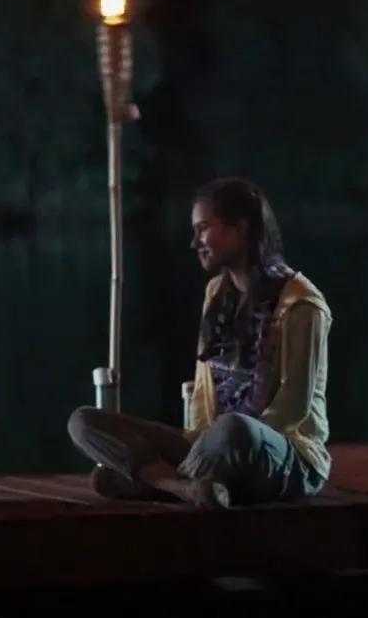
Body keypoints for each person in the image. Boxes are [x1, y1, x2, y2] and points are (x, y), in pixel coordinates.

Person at [66, 178, 331, 508]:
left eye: (204, 228)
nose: (195, 243)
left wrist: (218, 440)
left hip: (281, 454)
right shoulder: (217, 293)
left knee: (234, 429)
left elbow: (293, 407)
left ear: (241, 229)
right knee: (84, 422)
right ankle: (185, 488)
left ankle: (156, 482)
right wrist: (196, 442)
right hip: (211, 446)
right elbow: (204, 394)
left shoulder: (301, 304)